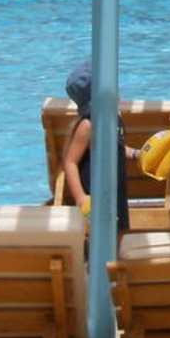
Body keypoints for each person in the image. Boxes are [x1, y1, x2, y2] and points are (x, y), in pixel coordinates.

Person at [58, 59, 131, 230]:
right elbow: (70, 162)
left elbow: (116, 147)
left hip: (116, 190)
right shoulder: (88, 125)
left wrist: (137, 154)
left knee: (119, 231)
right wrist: (80, 197)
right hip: (95, 192)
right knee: (98, 234)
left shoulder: (114, 119)